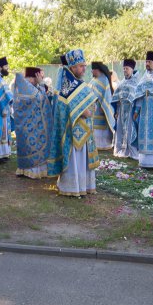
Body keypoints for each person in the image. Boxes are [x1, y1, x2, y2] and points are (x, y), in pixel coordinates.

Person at [47, 49, 99, 197]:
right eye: (81, 66)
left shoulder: (78, 83)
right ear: (72, 67)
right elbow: (70, 107)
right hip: (72, 131)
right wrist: (84, 111)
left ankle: (83, 185)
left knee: (82, 160)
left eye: (84, 65)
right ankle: (72, 186)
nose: (84, 69)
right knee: (75, 159)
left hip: (84, 129)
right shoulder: (67, 86)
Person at [13, 67, 54, 178]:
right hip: (29, 126)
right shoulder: (27, 87)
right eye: (39, 77)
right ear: (34, 77)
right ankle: (33, 170)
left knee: (26, 146)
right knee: (31, 147)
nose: (40, 79)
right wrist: (41, 84)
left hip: (26, 124)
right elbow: (41, 99)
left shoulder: (25, 86)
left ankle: (25, 170)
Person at [112, 59, 141, 160]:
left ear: (132, 69)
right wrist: (116, 111)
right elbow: (116, 97)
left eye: (127, 69)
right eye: (124, 68)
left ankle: (131, 151)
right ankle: (121, 149)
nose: (125, 70)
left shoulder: (136, 82)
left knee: (130, 131)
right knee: (120, 130)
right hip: (121, 110)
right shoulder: (122, 82)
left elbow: (138, 97)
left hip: (131, 110)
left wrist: (136, 111)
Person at [89, 61, 116, 151]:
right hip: (93, 108)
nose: (91, 71)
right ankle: (95, 144)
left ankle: (104, 144)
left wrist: (103, 106)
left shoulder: (104, 79)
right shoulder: (93, 80)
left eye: (93, 70)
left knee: (101, 128)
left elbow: (107, 95)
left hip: (101, 108)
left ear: (97, 70)